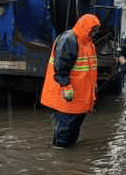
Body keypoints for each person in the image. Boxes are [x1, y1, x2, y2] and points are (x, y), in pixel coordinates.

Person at [40, 13, 100, 148]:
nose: (94, 33)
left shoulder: (88, 43)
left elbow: (89, 69)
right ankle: (61, 160)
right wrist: (66, 87)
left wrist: (93, 86)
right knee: (64, 132)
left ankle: (68, 159)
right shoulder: (69, 40)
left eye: (96, 30)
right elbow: (60, 68)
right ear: (85, 27)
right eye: (92, 30)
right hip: (66, 97)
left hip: (79, 98)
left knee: (73, 130)